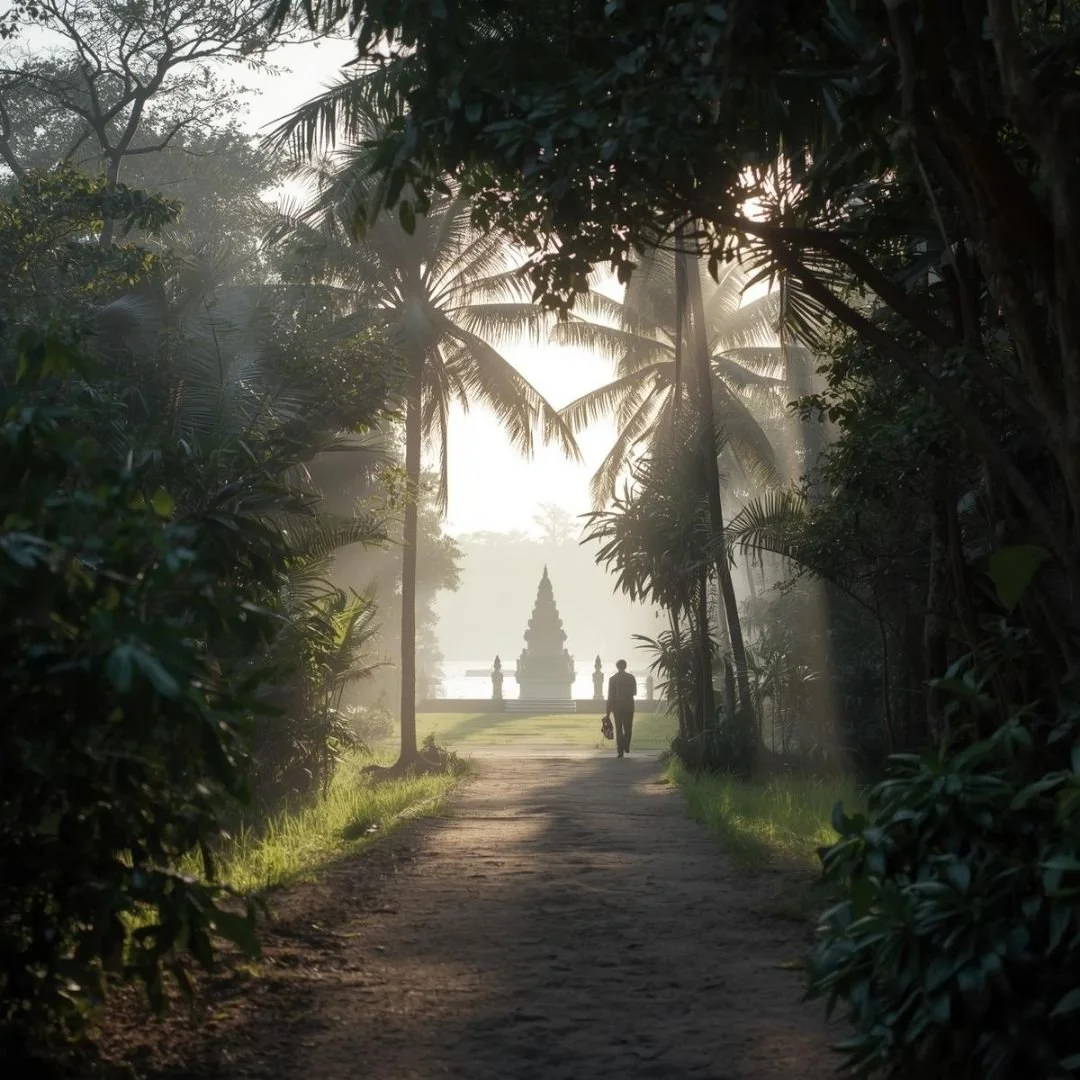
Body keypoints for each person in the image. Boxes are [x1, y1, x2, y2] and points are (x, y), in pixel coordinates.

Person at [606, 659, 638, 758]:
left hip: (617, 708)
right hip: (628, 707)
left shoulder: (613, 679)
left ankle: (620, 750)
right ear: (625, 666)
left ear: (617, 667)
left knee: (619, 729)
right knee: (628, 729)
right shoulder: (631, 677)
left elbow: (610, 696)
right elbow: (634, 692)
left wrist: (608, 711)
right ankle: (626, 745)